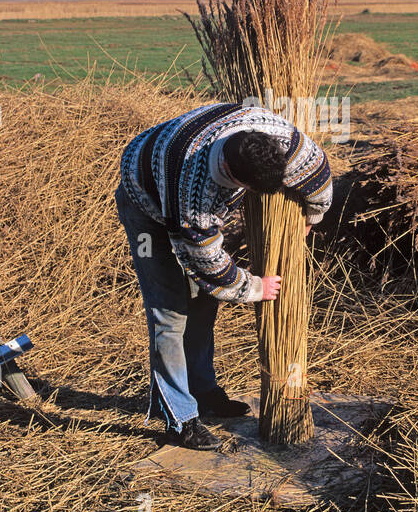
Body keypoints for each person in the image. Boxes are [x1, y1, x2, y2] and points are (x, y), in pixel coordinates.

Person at [116, 102, 333, 450]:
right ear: (232, 173)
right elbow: (207, 262)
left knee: (203, 303)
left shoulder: (274, 134)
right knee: (169, 312)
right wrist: (255, 288)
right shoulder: (192, 192)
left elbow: (317, 168)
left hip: (180, 179)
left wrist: (314, 214)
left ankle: (203, 393)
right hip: (145, 200)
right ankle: (180, 421)